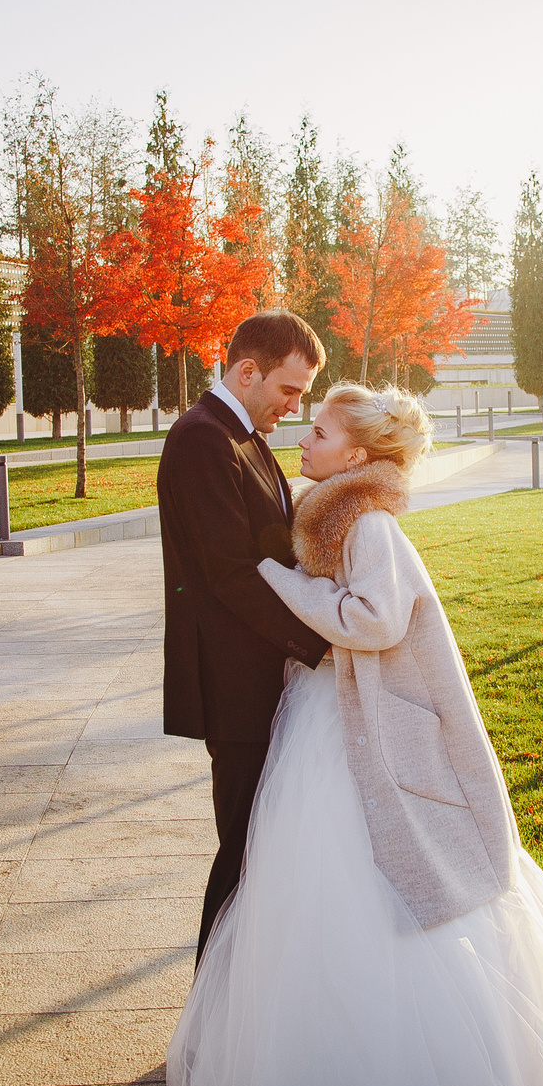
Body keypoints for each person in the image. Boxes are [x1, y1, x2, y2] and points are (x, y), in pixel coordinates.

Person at [152, 381, 543, 1086]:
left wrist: (280, 583)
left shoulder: (368, 525)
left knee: (381, 880)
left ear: (355, 455)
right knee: (320, 891)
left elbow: (374, 622)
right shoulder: (336, 517)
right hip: (331, 716)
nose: (305, 440)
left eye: (320, 431)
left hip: (363, 726)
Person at [154, 311, 332, 960]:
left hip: (262, 678)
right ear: (247, 371)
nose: (294, 406)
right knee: (243, 853)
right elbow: (230, 573)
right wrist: (322, 642)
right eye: (288, 389)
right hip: (235, 688)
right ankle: (214, 1001)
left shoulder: (243, 435)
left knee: (262, 848)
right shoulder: (202, 440)